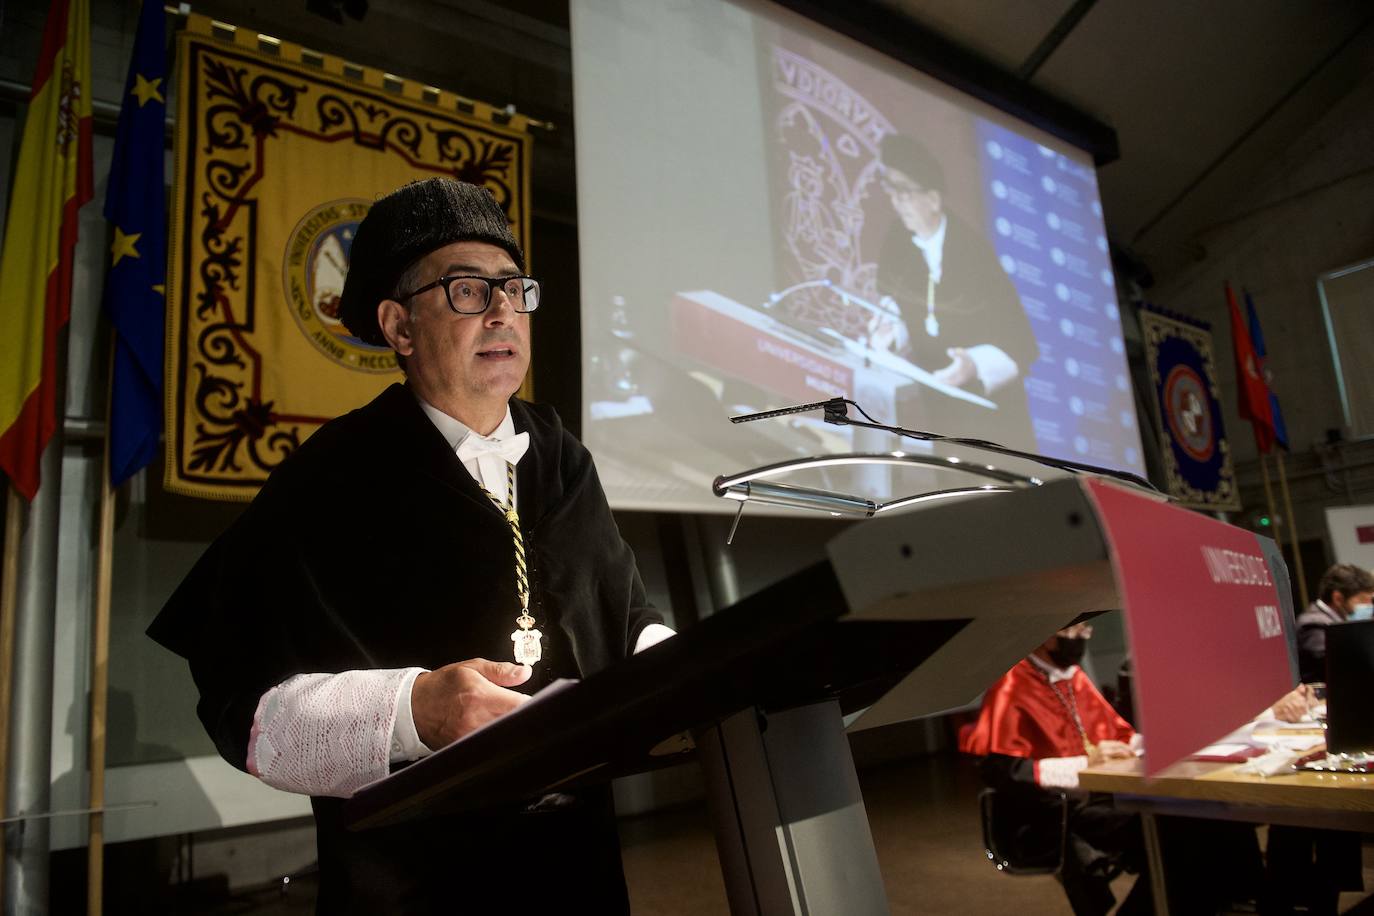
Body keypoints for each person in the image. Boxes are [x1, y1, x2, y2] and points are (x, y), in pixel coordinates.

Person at [148, 178, 671, 913]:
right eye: (466, 289)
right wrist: (416, 709)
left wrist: (688, 666)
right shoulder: (329, 477)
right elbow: (251, 711)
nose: (501, 312)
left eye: (514, 289)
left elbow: (624, 619)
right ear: (399, 327)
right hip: (413, 880)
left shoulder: (559, 454)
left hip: (576, 863)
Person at [960, 622, 1148, 916]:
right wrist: (1088, 763)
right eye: (1075, 631)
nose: (1082, 638)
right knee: (1169, 837)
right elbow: (1006, 771)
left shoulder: (1072, 677)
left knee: (1180, 831)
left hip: (1103, 798)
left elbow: (1118, 735)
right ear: (1048, 636)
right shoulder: (1012, 684)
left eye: (1086, 631)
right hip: (1052, 813)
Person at [873, 133, 1040, 450]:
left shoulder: (972, 251)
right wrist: (891, 329)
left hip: (996, 419)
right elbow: (898, 302)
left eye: (905, 191)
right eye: (890, 188)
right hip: (942, 417)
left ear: (933, 199)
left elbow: (1021, 343)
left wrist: (975, 364)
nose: (895, 200)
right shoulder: (897, 238)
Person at [1295, 563, 1374, 683]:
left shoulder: (1339, 621)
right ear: (1338, 598)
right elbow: (1345, 668)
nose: (1369, 607)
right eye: (1364, 601)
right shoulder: (1314, 624)